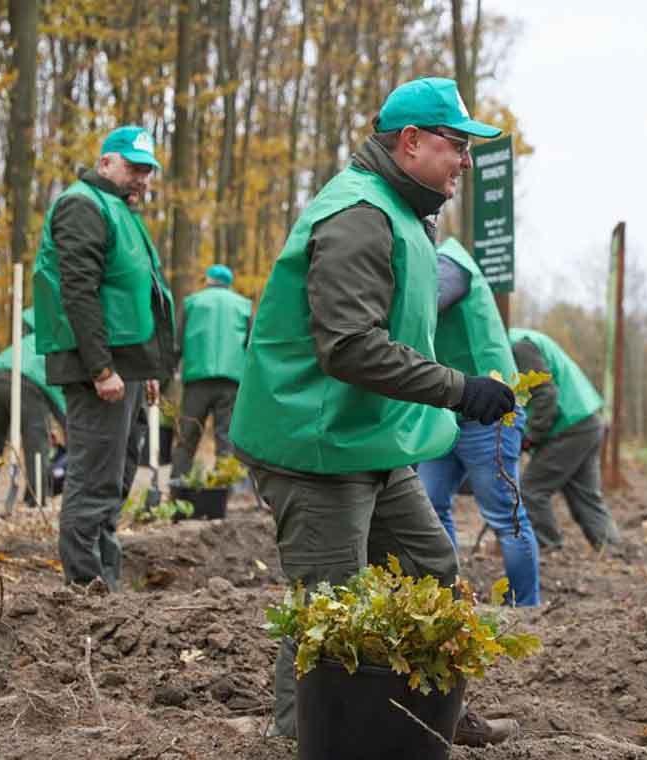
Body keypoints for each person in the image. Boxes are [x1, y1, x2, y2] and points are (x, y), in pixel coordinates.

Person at [229, 77, 518, 745]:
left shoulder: (399, 209)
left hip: (370, 439)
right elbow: (351, 348)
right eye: (457, 146)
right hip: (316, 442)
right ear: (410, 142)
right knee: (327, 606)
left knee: (430, 568)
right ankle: (302, 737)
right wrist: (458, 387)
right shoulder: (358, 214)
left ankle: (432, 709)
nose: (465, 162)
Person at [33, 124, 177, 591]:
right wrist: (101, 368)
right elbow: (79, 291)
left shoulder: (121, 210)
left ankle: (106, 581)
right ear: (106, 163)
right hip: (100, 367)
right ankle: (84, 587)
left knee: (117, 477)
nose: (143, 179)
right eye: (135, 168)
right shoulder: (82, 204)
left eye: (148, 171)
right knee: (94, 477)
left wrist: (148, 369)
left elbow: (137, 291)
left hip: (126, 366)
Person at [418, 237, 541, 607]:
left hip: (490, 411)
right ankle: (449, 602)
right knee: (430, 507)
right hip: (448, 410)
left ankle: (526, 609)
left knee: (505, 516)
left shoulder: (450, 262)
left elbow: (422, 305)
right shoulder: (436, 265)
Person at [509, 328, 621, 551]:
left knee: (530, 492)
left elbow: (545, 395)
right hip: (585, 419)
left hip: (568, 425)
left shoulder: (518, 346)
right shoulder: (522, 338)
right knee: (585, 495)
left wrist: (530, 436)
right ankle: (612, 550)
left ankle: (548, 548)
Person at [171, 263, 251, 479]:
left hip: (198, 378)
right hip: (232, 381)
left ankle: (178, 483)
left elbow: (177, 344)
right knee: (226, 437)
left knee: (187, 434)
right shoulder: (243, 305)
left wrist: (166, 373)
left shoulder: (192, 303)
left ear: (208, 280)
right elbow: (251, 346)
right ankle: (226, 488)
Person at [0, 308, 67, 506]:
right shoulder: (56, 347)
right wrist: (67, 427)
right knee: (37, 442)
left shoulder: (27, 340)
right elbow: (60, 400)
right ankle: (36, 497)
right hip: (26, 381)